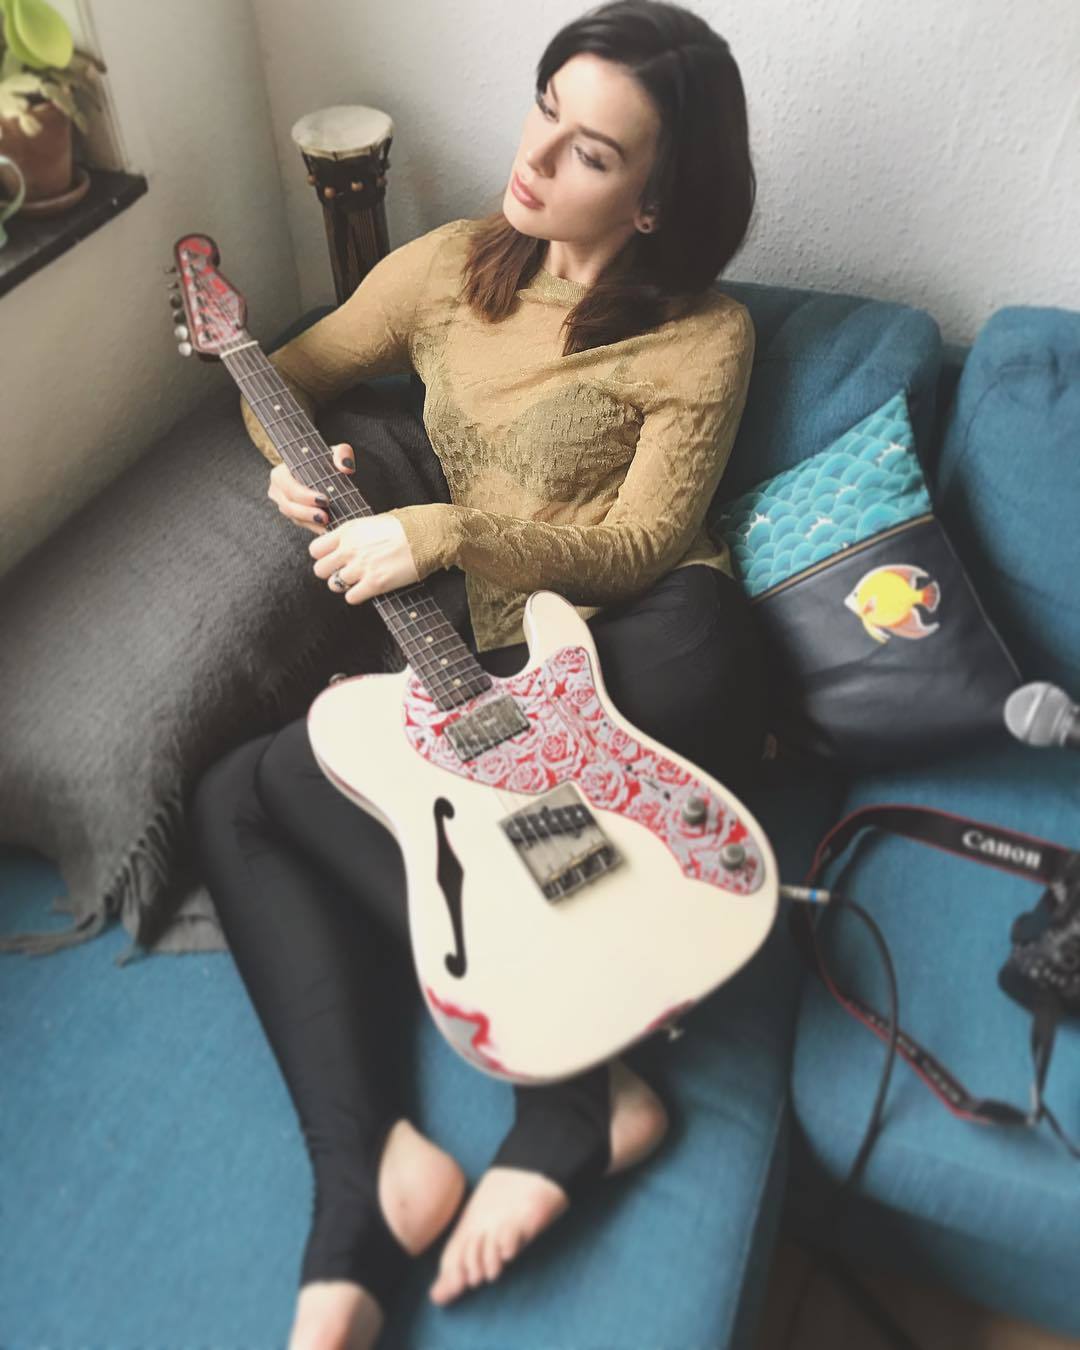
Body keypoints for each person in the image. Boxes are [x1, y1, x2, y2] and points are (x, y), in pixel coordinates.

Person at [186, 3, 768, 1347]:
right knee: (235, 793)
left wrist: (443, 532)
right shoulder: (449, 266)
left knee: (613, 679)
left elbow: (639, 544)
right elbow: (283, 373)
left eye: (592, 152)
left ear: (656, 197)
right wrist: (288, 463)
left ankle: (570, 1101)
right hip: (501, 665)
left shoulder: (705, 336)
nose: (538, 158)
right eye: (544, 109)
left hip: (644, 643)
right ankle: (368, 1177)